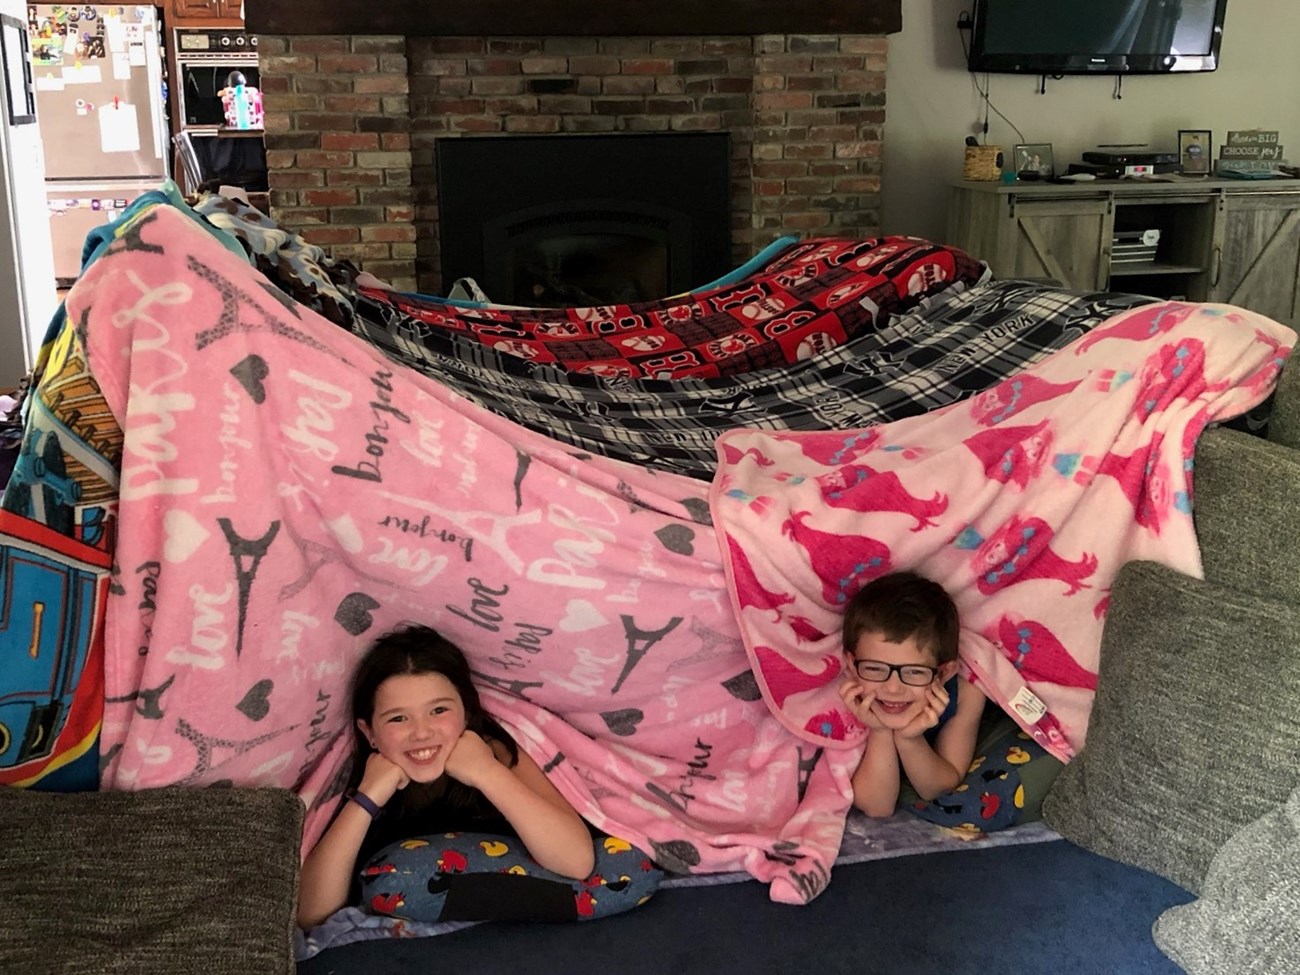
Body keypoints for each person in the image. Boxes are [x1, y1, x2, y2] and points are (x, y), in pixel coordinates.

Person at [297, 624, 597, 929]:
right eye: (398, 718)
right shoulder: (358, 779)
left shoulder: (499, 752)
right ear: (369, 732)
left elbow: (576, 861)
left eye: (438, 710)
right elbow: (312, 915)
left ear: (466, 714)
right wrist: (367, 799)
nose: (422, 732)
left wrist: (486, 772)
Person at [837, 571, 986, 818]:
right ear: (852, 664)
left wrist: (909, 740)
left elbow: (939, 787)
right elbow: (877, 806)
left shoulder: (968, 693)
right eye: (875, 668)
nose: (893, 688)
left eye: (914, 672)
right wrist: (881, 730)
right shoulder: (852, 691)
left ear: (943, 672)